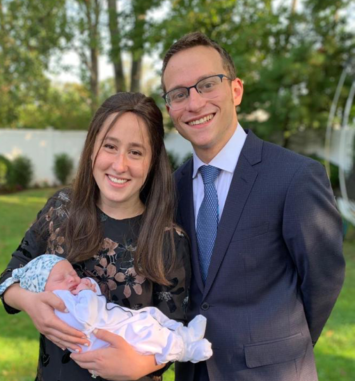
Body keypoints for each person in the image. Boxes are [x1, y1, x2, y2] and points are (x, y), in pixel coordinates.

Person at [161, 32, 345, 381]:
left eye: (207, 84)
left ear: (236, 90)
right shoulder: (171, 190)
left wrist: (284, 345)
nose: (195, 103)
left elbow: (324, 278)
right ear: (170, 108)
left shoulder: (294, 177)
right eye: (179, 93)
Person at [0, 92, 191, 381]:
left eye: (136, 152)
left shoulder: (167, 239)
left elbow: (176, 332)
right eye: (110, 146)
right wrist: (28, 302)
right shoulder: (61, 209)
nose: (119, 164)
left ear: (153, 161)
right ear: (92, 149)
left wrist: (139, 366)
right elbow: (9, 276)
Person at [0, 255, 212, 364]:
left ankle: (184, 334)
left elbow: (96, 308)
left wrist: (88, 289)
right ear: (42, 290)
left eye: (72, 273)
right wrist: (86, 291)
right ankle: (187, 349)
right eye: (61, 278)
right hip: (118, 336)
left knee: (153, 317)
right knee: (149, 334)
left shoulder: (67, 296)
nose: (73, 278)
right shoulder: (59, 303)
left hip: (118, 324)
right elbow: (88, 318)